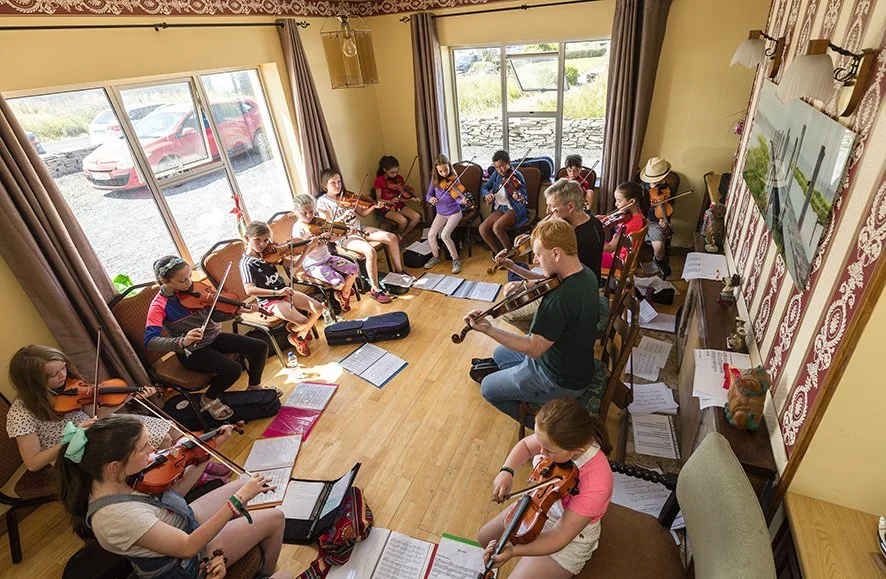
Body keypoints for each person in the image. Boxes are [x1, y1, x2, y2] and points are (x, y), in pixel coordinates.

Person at [56, 414, 291, 579]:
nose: (153, 452)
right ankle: (264, 572)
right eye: (144, 447)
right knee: (275, 518)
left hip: (181, 522)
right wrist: (236, 502)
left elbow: (170, 497)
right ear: (114, 466)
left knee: (239, 484)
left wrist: (206, 453)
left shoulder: (111, 479)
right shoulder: (115, 518)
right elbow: (188, 547)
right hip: (183, 564)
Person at [465, 219, 600, 426]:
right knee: (499, 353)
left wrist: (488, 329)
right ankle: (521, 381)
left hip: (560, 378)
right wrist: (512, 266)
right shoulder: (584, 274)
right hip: (570, 359)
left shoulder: (559, 300)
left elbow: (533, 348)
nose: (535, 261)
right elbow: (543, 282)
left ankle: (545, 429)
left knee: (488, 389)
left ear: (556, 253)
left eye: (538, 254)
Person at [478, 398, 613, 578]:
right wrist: (507, 471)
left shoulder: (598, 482)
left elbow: (560, 535)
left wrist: (515, 550)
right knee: (484, 537)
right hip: (539, 505)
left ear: (577, 451)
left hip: (570, 535)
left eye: (549, 451)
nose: (541, 452)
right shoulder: (555, 436)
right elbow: (526, 445)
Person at [5, 345, 175, 472]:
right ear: (31, 381)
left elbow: (94, 414)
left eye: (63, 367)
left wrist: (128, 398)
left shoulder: (67, 385)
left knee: (173, 433)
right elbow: (33, 463)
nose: (63, 376)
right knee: (163, 441)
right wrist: (71, 437)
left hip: (98, 429)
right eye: (53, 375)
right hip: (76, 453)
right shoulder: (21, 413)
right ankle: (166, 479)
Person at [146, 256, 274, 421]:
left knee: (260, 346)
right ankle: (209, 398)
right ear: (165, 281)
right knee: (233, 369)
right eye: (183, 280)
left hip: (214, 337)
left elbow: (216, 316)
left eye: (190, 277)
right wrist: (182, 341)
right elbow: (150, 341)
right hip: (192, 350)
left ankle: (254, 387)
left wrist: (237, 311)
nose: (189, 284)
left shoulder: (197, 290)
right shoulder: (159, 305)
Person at [494, 179, 605, 333]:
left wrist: (523, 285)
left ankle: (549, 336)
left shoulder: (575, 241)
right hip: (577, 287)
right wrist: (512, 264)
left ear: (571, 206)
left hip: (573, 299)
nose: (547, 212)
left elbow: (551, 282)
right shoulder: (592, 221)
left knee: (508, 313)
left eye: (553, 207)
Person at [314, 168, 406, 304]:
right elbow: (327, 226)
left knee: (391, 237)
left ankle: (400, 272)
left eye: (339, 181)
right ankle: (375, 289)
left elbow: (362, 214)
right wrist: (342, 217)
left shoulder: (347, 196)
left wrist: (374, 206)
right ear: (324, 185)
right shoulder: (323, 202)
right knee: (370, 251)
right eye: (333, 183)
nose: (338, 185)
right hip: (343, 236)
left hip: (359, 229)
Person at [240, 220, 325, 358]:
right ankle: (299, 332)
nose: (263, 244)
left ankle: (297, 334)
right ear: (247, 238)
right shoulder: (247, 263)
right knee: (304, 321)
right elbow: (249, 290)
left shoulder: (270, 253)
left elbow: (295, 264)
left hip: (284, 292)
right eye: (257, 240)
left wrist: (309, 248)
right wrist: (277, 292)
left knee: (319, 308)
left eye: (266, 240)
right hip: (269, 300)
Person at [290, 194, 359, 312]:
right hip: (313, 265)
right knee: (339, 282)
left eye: (311, 211)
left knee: (354, 269)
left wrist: (346, 234)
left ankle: (344, 294)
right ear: (296, 211)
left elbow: (331, 239)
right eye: (304, 213)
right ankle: (341, 291)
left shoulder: (318, 222)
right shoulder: (298, 229)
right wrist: (316, 241)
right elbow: (301, 253)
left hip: (327, 258)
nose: (309, 216)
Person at [479, 150, 529, 253]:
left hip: (515, 208)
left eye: (502, 166)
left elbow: (523, 196)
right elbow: (485, 188)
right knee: (482, 229)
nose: (499, 170)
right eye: (497, 167)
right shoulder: (496, 174)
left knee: (497, 227)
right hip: (501, 208)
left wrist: (517, 196)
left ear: (508, 163)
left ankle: (510, 253)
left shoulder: (517, 175)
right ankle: (499, 253)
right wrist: (487, 194)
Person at [425, 154, 467, 274]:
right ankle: (436, 256)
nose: (444, 173)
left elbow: (457, 197)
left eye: (446, 170)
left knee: (444, 235)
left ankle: (456, 259)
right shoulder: (434, 180)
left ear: (449, 167)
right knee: (431, 234)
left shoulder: (454, 179)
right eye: (441, 171)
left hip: (454, 212)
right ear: (436, 171)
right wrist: (430, 199)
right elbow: (428, 195)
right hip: (441, 213)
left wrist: (462, 201)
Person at [639, 157, 674, 278]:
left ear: (664, 176)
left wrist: (664, 219)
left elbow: (668, 208)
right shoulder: (642, 188)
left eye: (657, 179)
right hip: (640, 220)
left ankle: (659, 260)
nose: (654, 183)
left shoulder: (669, 190)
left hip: (655, 223)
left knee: (659, 247)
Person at [373, 155, 422, 240]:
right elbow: (378, 200)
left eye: (396, 172)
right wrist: (390, 200)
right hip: (386, 207)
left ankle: (401, 235)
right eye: (392, 173)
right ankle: (395, 237)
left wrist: (410, 198)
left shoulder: (399, 179)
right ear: (385, 170)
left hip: (399, 205)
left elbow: (400, 199)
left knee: (416, 216)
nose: (395, 175)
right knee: (403, 221)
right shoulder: (379, 180)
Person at [600, 182, 647, 270]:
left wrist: (591, 244)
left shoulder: (630, 224)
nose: (616, 204)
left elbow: (611, 248)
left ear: (632, 201)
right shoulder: (636, 214)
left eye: (619, 201)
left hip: (618, 259)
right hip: (620, 254)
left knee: (584, 254)